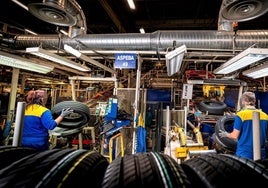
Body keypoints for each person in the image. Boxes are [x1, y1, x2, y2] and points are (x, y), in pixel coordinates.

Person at [219, 91, 268, 160]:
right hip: (261, 153)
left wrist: (226, 134)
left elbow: (234, 136)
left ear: (243, 101)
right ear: (254, 101)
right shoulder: (265, 115)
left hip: (245, 154)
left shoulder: (241, 115)